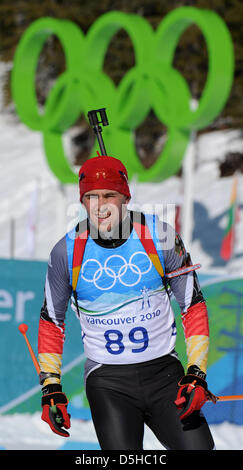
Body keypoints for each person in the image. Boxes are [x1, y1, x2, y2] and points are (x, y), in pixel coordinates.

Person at [38, 154, 216, 450]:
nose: (100, 204)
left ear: (126, 197)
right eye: (91, 196)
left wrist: (196, 373)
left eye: (110, 194)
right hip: (108, 381)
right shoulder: (66, 252)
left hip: (163, 374)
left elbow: (192, 305)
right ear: (82, 202)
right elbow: (51, 322)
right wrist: (51, 387)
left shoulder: (159, 237)